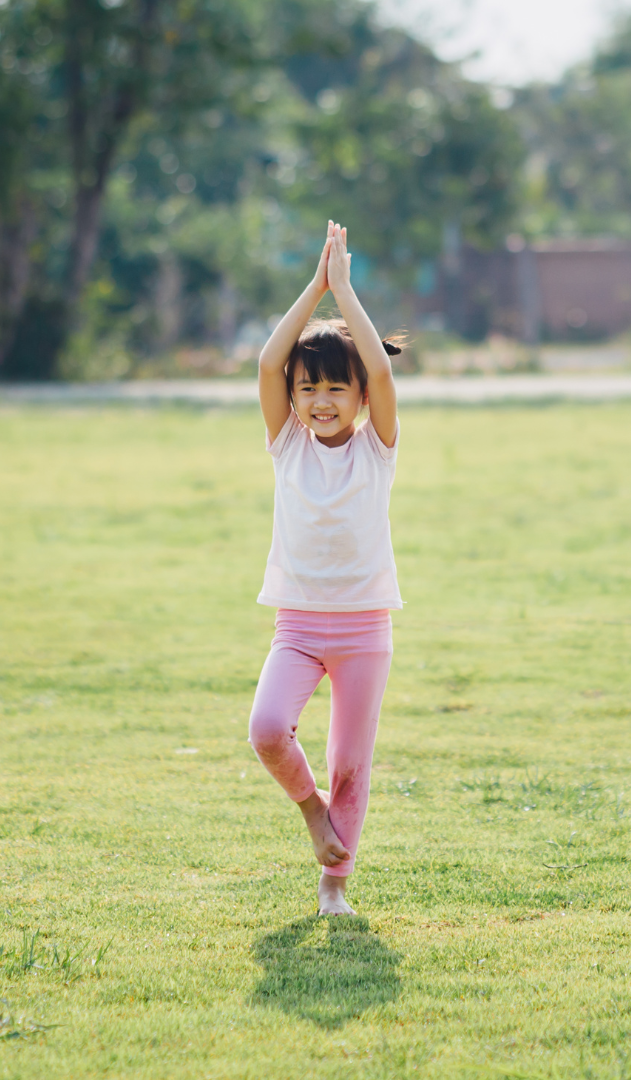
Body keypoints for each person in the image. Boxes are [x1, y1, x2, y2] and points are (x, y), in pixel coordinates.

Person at [248, 221, 404, 917]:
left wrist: (346, 293)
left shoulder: (377, 448)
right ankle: (313, 812)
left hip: (365, 630)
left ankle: (334, 885)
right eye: (308, 388)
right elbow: (266, 364)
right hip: (299, 627)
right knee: (266, 730)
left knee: (350, 765)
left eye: (337, 388)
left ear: (360, 396)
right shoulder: (288, 444)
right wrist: (316, 290)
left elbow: (382, 371)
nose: (320, 400)